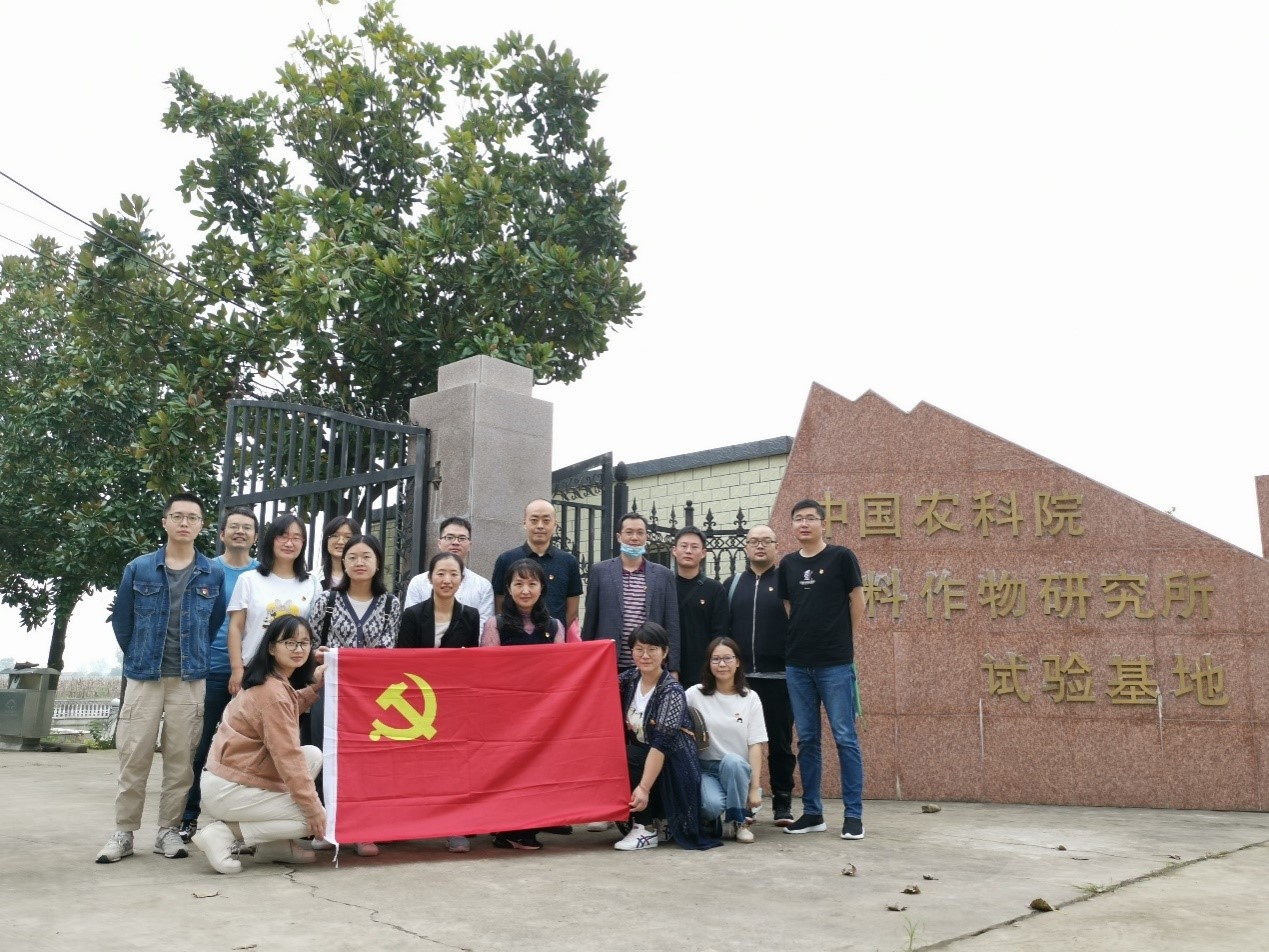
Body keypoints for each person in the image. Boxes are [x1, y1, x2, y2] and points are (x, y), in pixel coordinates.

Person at [96, 492, 226, 864]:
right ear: (165, 521)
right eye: (178, 516)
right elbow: (122, 621)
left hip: (190, 678)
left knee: (181, 760)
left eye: (192, 517)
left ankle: (168, 831)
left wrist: (193, 653)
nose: (185, 523)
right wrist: (141, 655)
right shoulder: (139, 568)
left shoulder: (212, 572)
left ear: (201, 526)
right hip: (144, 677)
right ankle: (124, 833)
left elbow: (214, 621)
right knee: (133, 756)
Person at [192, 615, 326, 874]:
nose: (298, 649)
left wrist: (313, 688)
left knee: (311, 755)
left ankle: (275, 847)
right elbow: (287, 757)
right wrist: (314, 810)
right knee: (310, 818)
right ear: (272, 647)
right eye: (290, 642)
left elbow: (283, 712)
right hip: (230, 789)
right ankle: (224, 834)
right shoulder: (272, 692)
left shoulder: (270, 681)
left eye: (304, 643)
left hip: (234, 778)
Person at [778, 499, 866, 840]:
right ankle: (813, 812)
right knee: (808, 739)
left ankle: (853, 815)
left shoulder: (841, 557)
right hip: (797, 664)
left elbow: (857, 600)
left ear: (823, 523)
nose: (804, 524)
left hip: (835, 664)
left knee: (845, 737)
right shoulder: (788, 564)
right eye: (798, 518)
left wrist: (842, 638)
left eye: (811, 518)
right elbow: (789, 605)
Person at [308, 533, 401, 857]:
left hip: (371, 697)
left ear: (378, 563)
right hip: (329, 693)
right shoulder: (326, 601)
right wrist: (319, 655)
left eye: (366, 557)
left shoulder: (390, 604)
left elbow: (388, 650)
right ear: (343, 563)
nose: (359, 563)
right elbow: (308, 643)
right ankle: (325, 826)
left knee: (366, 759)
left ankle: (363, 829)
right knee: (326, 755)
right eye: (352, 557)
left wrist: (345, 656)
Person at [179, 506, 259, 843]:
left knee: (248, 751)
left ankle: (241, 825)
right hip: (210, 669)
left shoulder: (262, 574)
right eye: (234, 526)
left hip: (253, 674)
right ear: (222, 533)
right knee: (199, 748)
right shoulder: (206, 570)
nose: (240, 532)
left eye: (247, 527)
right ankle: (187, 817)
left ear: (255, 536)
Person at [482, 558, 569, 850]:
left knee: (539, 768)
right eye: (518, 583)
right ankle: (506, 829)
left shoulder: (555, 626)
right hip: (506, 713)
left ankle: (529, 824)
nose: (525, 590)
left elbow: (561, 672)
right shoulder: (495, 624)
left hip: (543, 713)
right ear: (507, 588)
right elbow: (489, 672)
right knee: (508, 770)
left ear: (542, 587)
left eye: (532, 583)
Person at [614, 622, 719, 852]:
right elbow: (596, 687)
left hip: (673, 764)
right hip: (645, 758)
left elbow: (660, 745)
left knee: (626, 756)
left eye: (652, 649)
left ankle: (645, 828)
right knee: (621, 755)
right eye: (639, 649)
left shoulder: (672, 691)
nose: (645, 655)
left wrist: (643, 789)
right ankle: (660, 819)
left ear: (665, 652)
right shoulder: (629, 679)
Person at [724, 524, 797, 827]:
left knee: (780, 743)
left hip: (779, 678)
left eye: (766, 541)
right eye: (754, 541)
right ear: (746, 547)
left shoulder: (787, 583)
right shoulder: (732, 584)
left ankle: (783, 802)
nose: (760, 546)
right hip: (741, 680)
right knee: (740, 742)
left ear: (777, 547)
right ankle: (745, 801)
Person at [227, 513, 322, 697]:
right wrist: (237, 669)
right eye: (283, 536)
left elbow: (314, 630)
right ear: (271, 539)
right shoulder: (249, 580)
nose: (289, 543)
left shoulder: (312, 583)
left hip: (295, 673)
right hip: (254, 669)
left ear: (303, 543)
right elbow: (235, 627)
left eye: (296, 538)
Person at [685, 637, 767, 844]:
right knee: (710, 806)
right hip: (705, 768)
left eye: (728, 658)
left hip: (736, 770)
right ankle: (715, 816)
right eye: (716, 659)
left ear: (737, 662)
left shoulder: (750, 698)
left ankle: (739, 822)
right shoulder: (694, 694)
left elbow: (755, 745)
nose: (722, 664)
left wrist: (754, 788)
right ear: (709, 663)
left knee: (733, 762)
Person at [580, 512, 681, 675]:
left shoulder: (664, 575)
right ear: (619, 537)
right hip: (608, 664)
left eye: (640, 533)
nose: (634, 538)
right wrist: (586, 662)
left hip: (649, 665)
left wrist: (673, 668)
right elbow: (590, 620)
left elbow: (672, 624)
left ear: (647, 537)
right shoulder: (600, 571)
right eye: (629, 532)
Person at [491, 499, 583, 630]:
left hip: (555, 638)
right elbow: (499, 603)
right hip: (513, 636)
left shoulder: (569, 561)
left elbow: (572, 609)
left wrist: (558, 632)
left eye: (546, 520)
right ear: (525, 523)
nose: (540, 526)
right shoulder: (506, 559)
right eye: (534, 520)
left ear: (555, 525)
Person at [403, 517, 495, 629]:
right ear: (439, 543)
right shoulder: (418, 582)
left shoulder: (483, 586)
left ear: (470, 545)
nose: (455, 542)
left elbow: (483, 627)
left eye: (462, 538)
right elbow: (411, 622)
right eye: (449, 537)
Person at [671, 526, 729, 690]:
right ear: (674, 550)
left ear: (703, 553)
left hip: (703, 672)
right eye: (684, 546)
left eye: (694, 547)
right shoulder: (665, 586)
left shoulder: (715, 589)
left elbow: (720, 633)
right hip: (670, 670)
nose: (688, 551)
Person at [397, 552, 482, 649]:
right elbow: (404, 654)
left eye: (454, 574)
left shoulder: (471, 616)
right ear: (430, 578)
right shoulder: (412, 614)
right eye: (441, 574)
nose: (447, 581)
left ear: (461, 579)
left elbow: (472, 655)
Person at [318, 515, 360, 590]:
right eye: (335, 536)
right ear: (326, 540)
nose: (340, 542)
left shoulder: (364, 578)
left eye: (348, 537)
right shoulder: (313, 578)